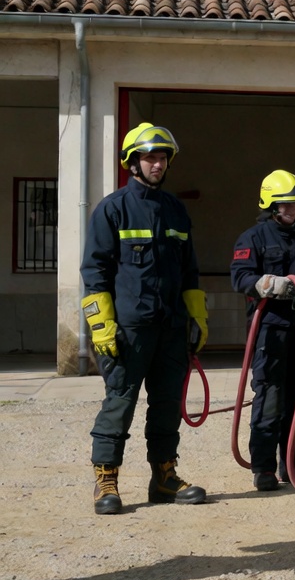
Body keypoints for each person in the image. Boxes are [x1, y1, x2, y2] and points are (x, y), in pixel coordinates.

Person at [82, 122, 208, 515]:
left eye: (162, 157)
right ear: (132, 162)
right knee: (119, 402)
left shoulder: (175, 210)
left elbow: (189, 271)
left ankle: (164, 477)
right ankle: (107, 480)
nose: (157, 164)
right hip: (128, 330)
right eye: (149, 157)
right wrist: (101, 324)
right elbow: (94, 271)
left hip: (170, 327)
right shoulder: (112, 208)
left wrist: (197, 318)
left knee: (167, 404)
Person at [231, 170, 295, 492]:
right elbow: (240, 276)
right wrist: (265, 283)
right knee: (270, 398)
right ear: (271, 204)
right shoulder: (252, 238)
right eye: (286, 205)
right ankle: (263, 467)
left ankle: (294, 463)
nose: (292, 211)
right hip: (270, 332)